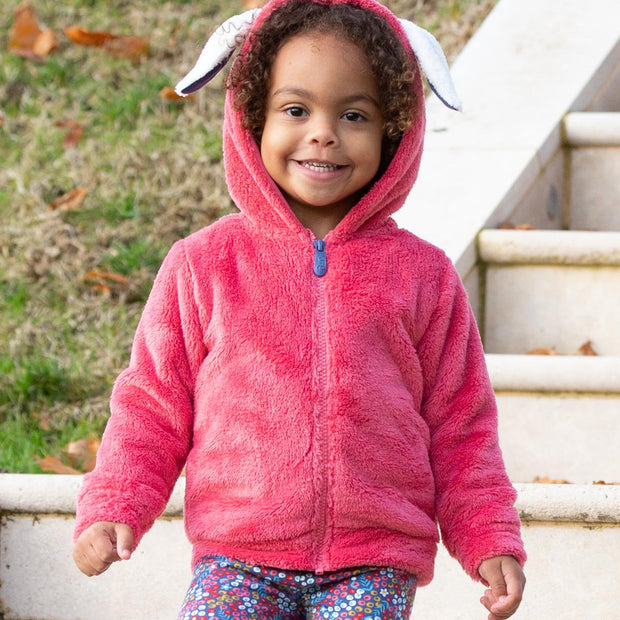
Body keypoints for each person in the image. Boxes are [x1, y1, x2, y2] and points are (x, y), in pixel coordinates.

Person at [73, 1, 526, 619]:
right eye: (295, 109)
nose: (323, 132)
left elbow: (461, 421)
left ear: (394, 128)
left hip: (374, 561)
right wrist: (115, 505)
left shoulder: (423, 275)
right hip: (236, 556)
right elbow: (153, 402)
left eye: (354, 114)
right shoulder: (203, 263)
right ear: (251, 117)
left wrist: (488, 537)